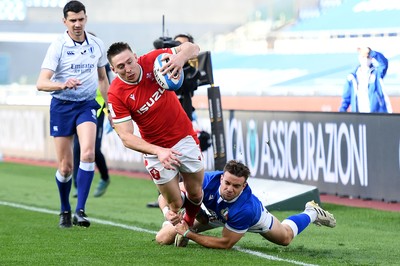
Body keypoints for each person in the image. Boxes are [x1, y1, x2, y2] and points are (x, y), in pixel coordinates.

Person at [106, 41, 204, 229]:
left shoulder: (153, 60)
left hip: (183, 137)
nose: (128, 69)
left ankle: (188, 223)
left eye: (129, 62)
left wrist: (179, 59)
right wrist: (158, 151)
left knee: (195, 193)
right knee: (175, 203)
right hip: (155, 150)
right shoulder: (116, 94)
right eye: (120, 66)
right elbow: (126, 137)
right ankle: (173, 213)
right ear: (113, 69)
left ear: (135, 56)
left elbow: (193, 48)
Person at [36, 0, 109, 228]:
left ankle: (80, 210)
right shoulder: (57, 45)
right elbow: (41, 83)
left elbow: (103, 79)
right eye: (73, 20)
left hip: (87, 105)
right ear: (64, 21)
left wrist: (110, 108)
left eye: (81, 19)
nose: (77, 24)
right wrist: (62, 84)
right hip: (61, 106)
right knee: (65, 167)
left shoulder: (97, 44)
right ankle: (65, 208)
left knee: (88, 153)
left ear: (86, 18)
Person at [155, 160, 336, 249]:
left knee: (285, 238)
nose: (229, 189)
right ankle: (177, 223)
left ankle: (311, 211)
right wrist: (167, 212)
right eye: (227, 183)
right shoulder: (206, 180)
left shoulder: (246, 209)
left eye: (236, 186)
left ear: (244, 185)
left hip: (247, 219)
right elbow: (164, 194)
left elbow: (225, 243)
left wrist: (189, 234)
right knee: (163, 238)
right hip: (212, 213)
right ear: (221, 179)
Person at [73, 63, 113, 198]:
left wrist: (109, 109)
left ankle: (105, 177)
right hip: (79, 109)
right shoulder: (76, 60)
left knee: (93, 148)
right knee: (77, 147)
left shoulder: (102, 63)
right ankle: (78, 186)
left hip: (98, 109)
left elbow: (108, 85)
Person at [339, 47, 392, 113]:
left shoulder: (376, 73)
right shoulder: (352, 78)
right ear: (359, 58)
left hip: (376, 115)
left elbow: (384, 64)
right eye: (363, 57)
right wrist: (341, 113)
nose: (365, 59)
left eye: (368, 57)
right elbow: (346, 99)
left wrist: (371, 53)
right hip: (359, 116)